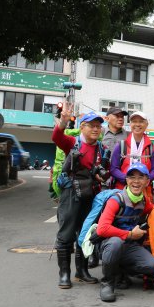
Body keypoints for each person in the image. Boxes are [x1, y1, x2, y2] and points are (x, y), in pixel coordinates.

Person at [52, 107, 108, 289]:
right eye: (91, 126)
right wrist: (63, 122)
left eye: (98, 126)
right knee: (66, 233)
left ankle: (82, 271)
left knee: (85, 233)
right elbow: (56, 138)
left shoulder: (100, 147)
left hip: (90, 192)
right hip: (70, 192)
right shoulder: (72, 143)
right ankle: (64, 274)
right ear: (82, 127)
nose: (95, 129)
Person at [96, 162, 154, 302]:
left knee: (152, 265)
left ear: (147, 181)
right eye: (132, 177)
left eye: (140, 177)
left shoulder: (144, 201)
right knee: (116, 243)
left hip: (128, 245)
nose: (136, 181)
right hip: (107, 244)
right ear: (127, 180)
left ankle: (120, 271)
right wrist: (129, 234)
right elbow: (102, 229)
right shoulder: (116, 200)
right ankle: (107, 283)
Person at [110, 111, 154, 200]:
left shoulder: (151, 148)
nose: (137, 124)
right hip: (122, 192)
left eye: (141, 121)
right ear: (130, 124)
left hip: (144, 193)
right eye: (134, 121)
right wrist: (128, 180)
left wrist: (144, 181)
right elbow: (113, 169)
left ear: (146, 124)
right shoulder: (121, 145)